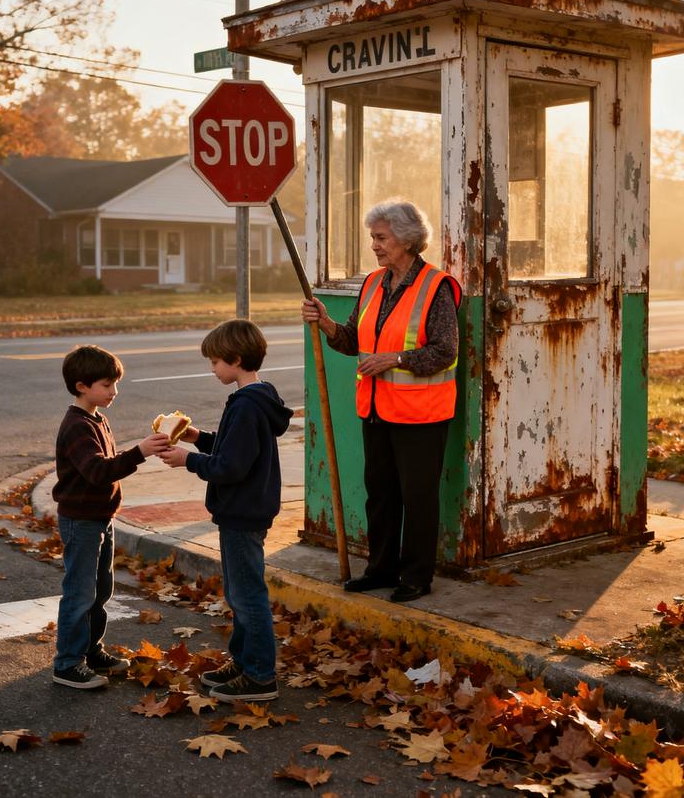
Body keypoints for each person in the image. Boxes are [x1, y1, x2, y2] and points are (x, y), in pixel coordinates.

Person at [302, 199, 461, 603]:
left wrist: (397, 359)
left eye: (380, 237)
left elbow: (445, 351)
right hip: (376, 410)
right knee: (382, 494)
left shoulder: (435, 287)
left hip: (421, 415)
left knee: (418, 497)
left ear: (406, 240)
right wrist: (326, 323)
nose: (374, 245)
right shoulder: (374, 284)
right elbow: (353, 338)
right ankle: (381, 569)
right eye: (372, 237)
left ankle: (416, 577)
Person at [161, 319, 292, 702]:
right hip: (245, 508)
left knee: (248, 595)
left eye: (215, 362)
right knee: (239, 592)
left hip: (242, 510)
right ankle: (243, 659)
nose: (212, 368)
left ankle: (260, 676)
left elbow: (230, 467)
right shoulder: (256, 398)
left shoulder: (248, 407)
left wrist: (188, 459)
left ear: (235, 359)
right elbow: (234, 448)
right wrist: (199, 437)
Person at [52, 345, 170, 689]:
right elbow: (96, 471)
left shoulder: (96, 418)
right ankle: (67, 663)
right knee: (80, 593)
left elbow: (105, 462)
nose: (114, 392)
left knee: (101, 589)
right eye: (107, 385)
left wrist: (135, 453)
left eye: (115, 384)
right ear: (81, 386)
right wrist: (140, 452)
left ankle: (91, 650)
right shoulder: (76, 426)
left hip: (100, 518)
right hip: (81, 520)